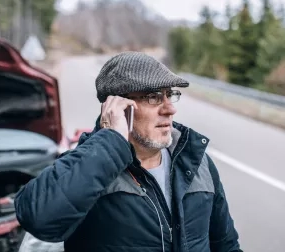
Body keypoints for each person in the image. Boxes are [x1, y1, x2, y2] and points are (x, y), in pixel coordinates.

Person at [14, 51, 243, 252]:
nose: (170, 109)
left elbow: (226, 244)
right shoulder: (89, 164)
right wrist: (112, 141)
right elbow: (38, 217)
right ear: (118, 106)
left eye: (170, 94)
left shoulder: (196, 162)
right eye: (153, 97)